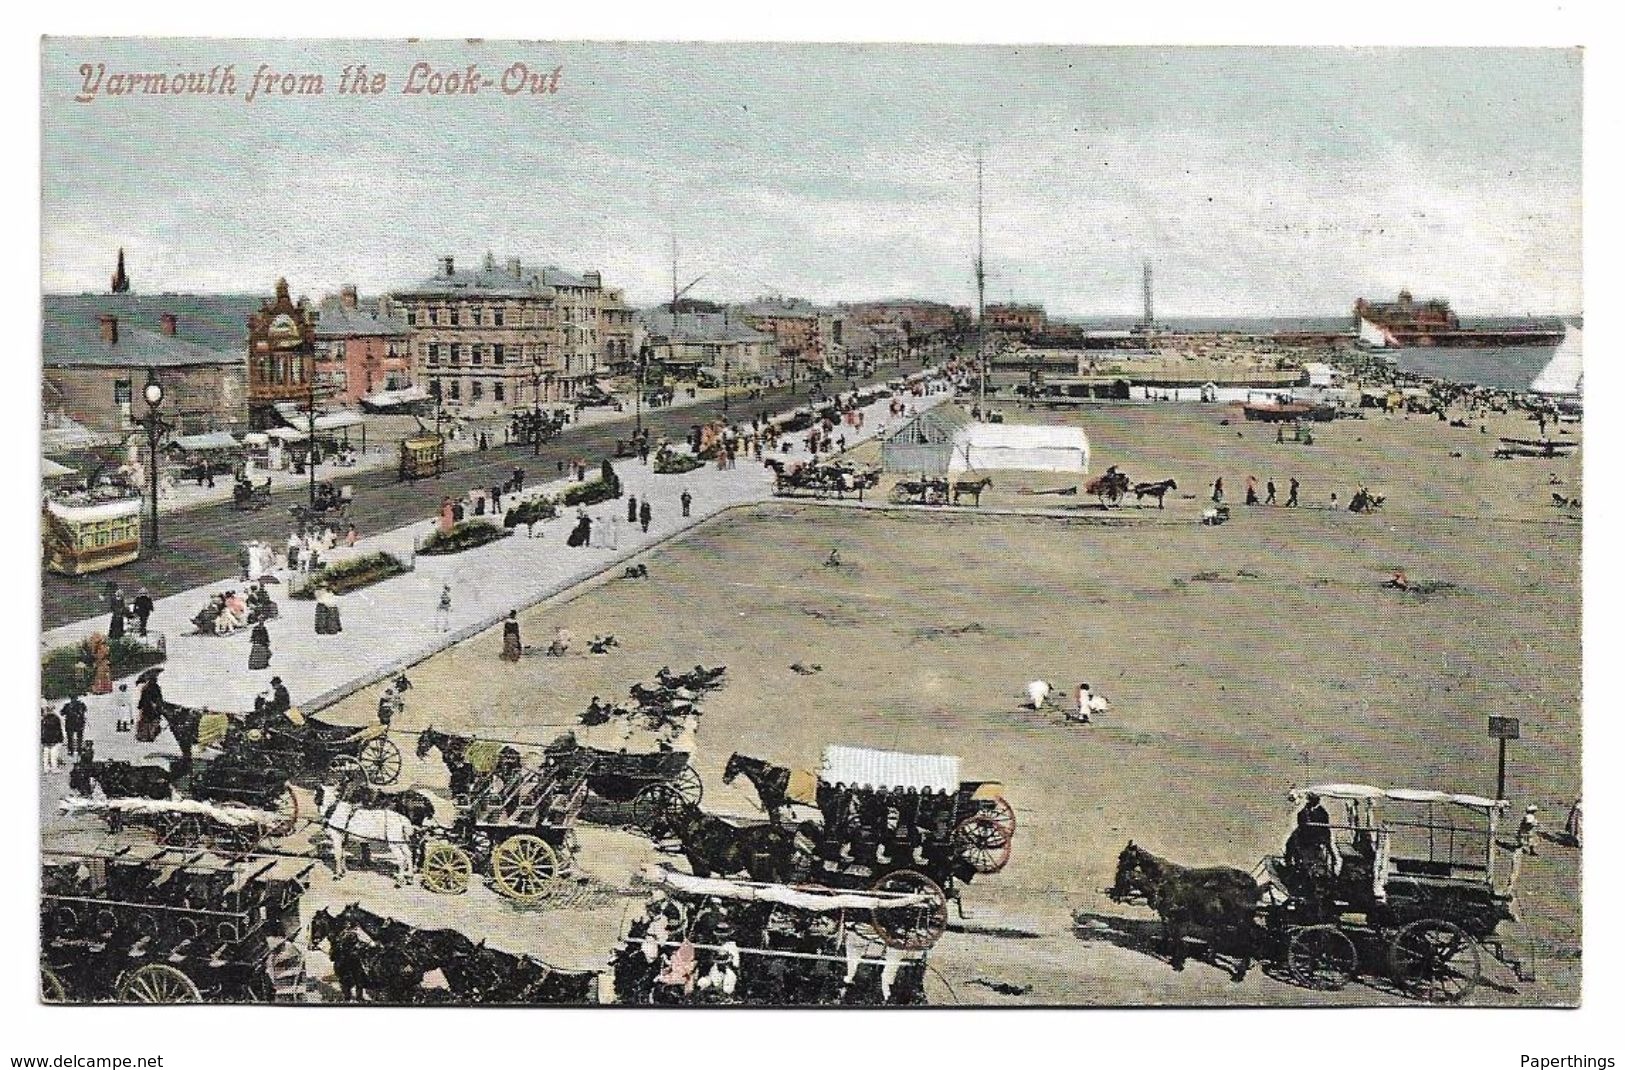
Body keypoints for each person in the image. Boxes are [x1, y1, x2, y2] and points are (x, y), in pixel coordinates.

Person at [41, 705, 65, 773]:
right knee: (54, 753)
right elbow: (59, 729)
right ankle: (54, 768)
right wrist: (61, 738)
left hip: (45, 739)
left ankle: (46, 768)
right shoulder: (56, 718)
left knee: (46, 754)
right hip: (54, 739)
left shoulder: (43, 719)